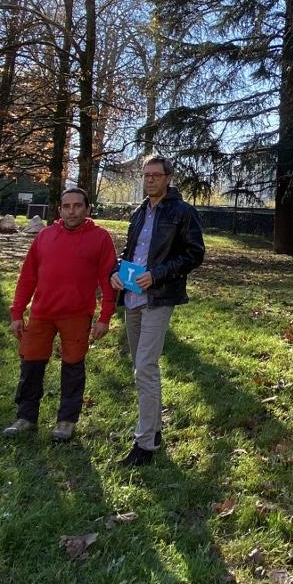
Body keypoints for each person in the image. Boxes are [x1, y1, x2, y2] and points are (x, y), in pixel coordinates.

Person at [111, 154, 205, 466]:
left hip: (159, 297)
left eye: (156, 175)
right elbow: (130, 251)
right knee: (142, 367)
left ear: (168, 178)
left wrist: (158, 274)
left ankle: (145, 444)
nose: (150, 180)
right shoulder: (139, 212)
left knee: (145, 367)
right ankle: (154, 430)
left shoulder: (183, 212)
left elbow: (195, 254)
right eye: (146, 175)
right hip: (132, 297)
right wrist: (115, 271)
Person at [2, 187, 117, 442]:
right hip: (41, 314)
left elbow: (108, 281)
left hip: (77, 315)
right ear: (59, 210)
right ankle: (25, 417)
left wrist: (105, 317)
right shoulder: (45, 236)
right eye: (66, 206)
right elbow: (27, 277)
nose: (72, 211)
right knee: (31, 366)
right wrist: (17, 312)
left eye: (77, 206)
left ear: (88, 209)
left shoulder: (100, 238)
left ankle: (66, 421)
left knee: (73, 369)